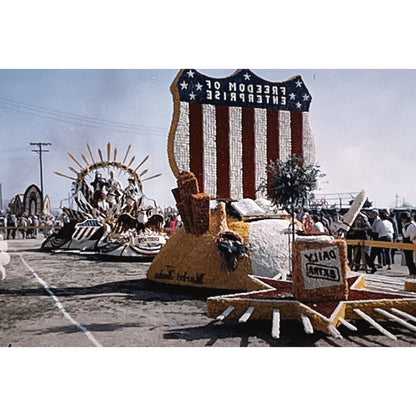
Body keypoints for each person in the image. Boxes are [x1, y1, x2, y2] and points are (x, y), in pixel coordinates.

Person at [399, 211, 416, 278]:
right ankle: (412, 273)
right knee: (410, 259)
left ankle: (412, 273)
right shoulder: (412, 224)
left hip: (409, 243)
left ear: (405, 219)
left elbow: (406, 235)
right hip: (411, 243)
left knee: (409, 259)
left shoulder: (410, 225)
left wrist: (403, 228)